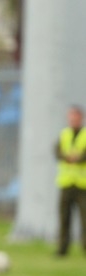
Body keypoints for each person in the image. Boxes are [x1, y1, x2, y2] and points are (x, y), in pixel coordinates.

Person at [54, 104, 86, 256]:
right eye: (71, 116)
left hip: (83, 185)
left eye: (76, 116)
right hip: (66, 183)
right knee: (64, 219)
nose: (73, 119)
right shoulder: (64, 134)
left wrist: (77, 158)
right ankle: (62, 249)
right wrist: (68, 157)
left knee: (84, 219)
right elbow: (57, 152)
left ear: (81, 118)